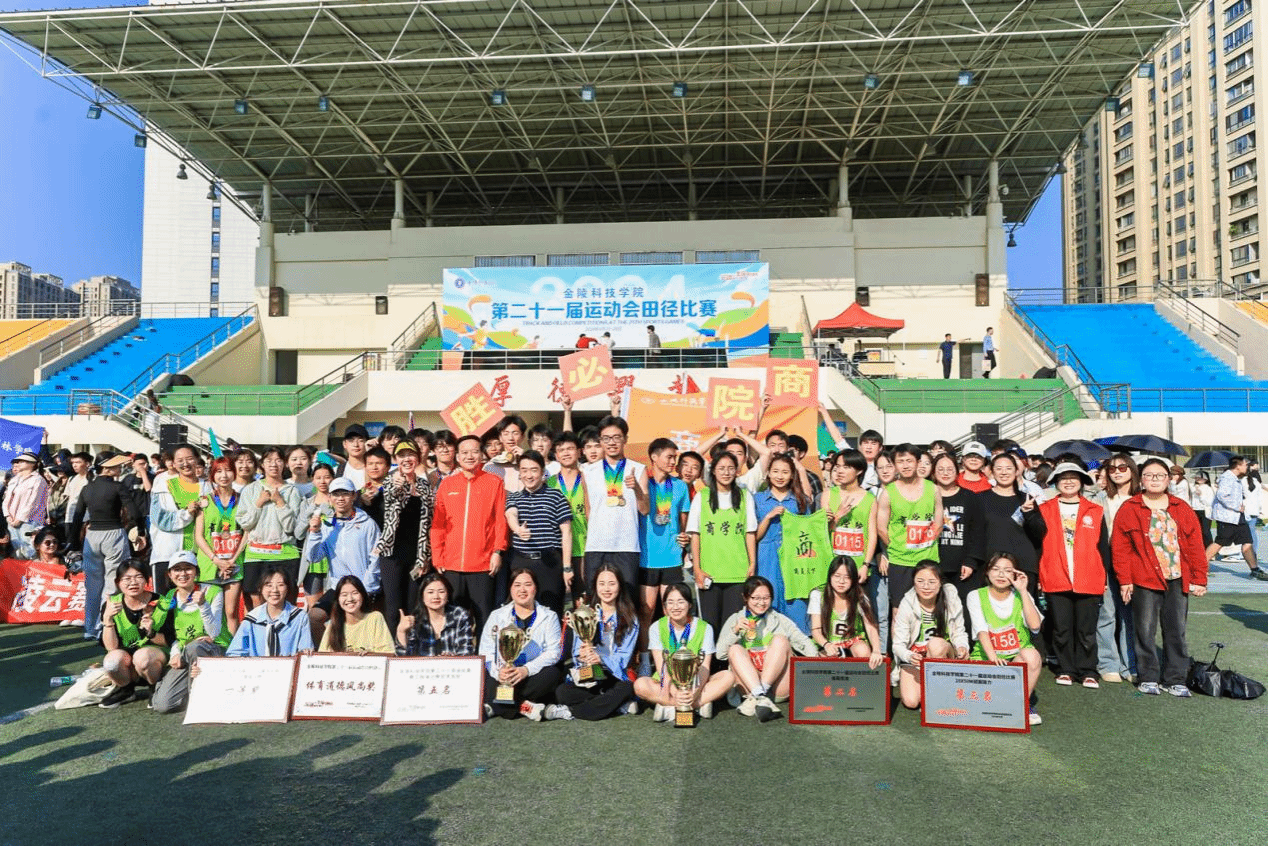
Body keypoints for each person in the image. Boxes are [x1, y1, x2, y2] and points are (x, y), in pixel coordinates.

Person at [1112, 458, 1209, 697]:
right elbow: (1120, 548)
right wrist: (1125, 580)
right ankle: (1148, 677)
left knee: (1176, 630)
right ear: (1141, 479)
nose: (1154, 479)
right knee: (1145, 631)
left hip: (1177, 578)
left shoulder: (1181, 507)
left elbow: (1195, 545)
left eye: (1160, 475)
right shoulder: (1130, 508)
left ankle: (1175, 679)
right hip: (1144, 579)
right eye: (1149, 475)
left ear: (1168, 479)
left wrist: (1199, 578)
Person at [1032, 462, 1109, 687]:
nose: (1068, 481)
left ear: (1082, 482)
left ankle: (1087, 670)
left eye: (1073, 477)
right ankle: (1065, 668)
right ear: (1055, 482)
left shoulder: (1095, 510)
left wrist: (1103, 576)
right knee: (1061, 627)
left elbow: (1103, 547)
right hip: (1055, 575)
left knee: (1086, 629)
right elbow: (1037, 545)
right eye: (1063, 477)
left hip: (1088, 577)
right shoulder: (1044, 509)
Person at [430, 434, 508, 630]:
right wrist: (437, 556)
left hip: (482, 564)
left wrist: (498, 551)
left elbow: (500, 521)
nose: (469, 456)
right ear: (457, 456)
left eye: (474, 452)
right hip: (451, 564)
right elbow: (438, 524)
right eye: (464, 452)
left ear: (482, 455)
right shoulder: (447, 484)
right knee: (453, 618)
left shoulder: (494, 482)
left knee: (484, 618)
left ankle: (484, 651)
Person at [717, 576, 818, 721]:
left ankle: (760, 695)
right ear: (745, 597)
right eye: (756, 598)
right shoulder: (735, 619)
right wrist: (735, 631)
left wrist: (819, 663)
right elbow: (720, 654)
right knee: (734, 649)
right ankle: (759, 695)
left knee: (780, 640)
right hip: (748, 685)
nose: (761, 602)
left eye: (766, 598)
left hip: (777, 686)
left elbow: (803, 641)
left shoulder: (779, 619)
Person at [68, 452, 146, 640]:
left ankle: (90, 628)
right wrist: (141, 530)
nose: (120, 468)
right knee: (112, 583)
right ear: (107, 467)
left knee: (92, 585)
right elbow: (134, 511)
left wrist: (73, 542)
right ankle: (105, 625)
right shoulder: (117, 487)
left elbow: (77, 517)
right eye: (116, 465)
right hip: (114, 534)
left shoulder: (87, 488)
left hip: (92, 536)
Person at [549, 564, 640, 721]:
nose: (606, 589)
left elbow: (623, 659)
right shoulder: (584, 614)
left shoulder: (630, 618)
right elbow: (576, 652)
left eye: (612, 584)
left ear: (620, 586)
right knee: (562, 692)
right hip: (589, 676)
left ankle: (571, 711)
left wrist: (601, 658)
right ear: (595, 587)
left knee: (627, 687)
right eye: (601, 584)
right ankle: (616, 705)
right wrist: (583, 655)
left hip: (613, 674)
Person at [632, 583, 733, 722]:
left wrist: (694, 693)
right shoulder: (656, 627)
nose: (675, 607)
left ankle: (671, 707)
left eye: (681, 601)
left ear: (690, 604)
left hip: (696, 683)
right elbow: (661, 667)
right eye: (670, 602)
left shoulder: (705, 628)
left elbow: (705, 667)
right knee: (640, 685)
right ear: (665, 606)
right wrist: (675, 692)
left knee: (728, 677)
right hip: (667, 683)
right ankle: (696, 706)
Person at [303, 477, 382, 644]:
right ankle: (327, 652)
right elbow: (314, 557)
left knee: (359, 625)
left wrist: (367, 588)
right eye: (336, 494)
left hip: (363, 587)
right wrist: (315, 532)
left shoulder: (368, 524)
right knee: (314, 617)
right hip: (337, 587)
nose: (340, 499)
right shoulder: (327, 525)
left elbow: (375, 558)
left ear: (353, 496)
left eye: (345, 494)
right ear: (329, 498)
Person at [967, 553, 1045, 724]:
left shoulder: (1021, 595)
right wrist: (994, 659)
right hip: (987, 659)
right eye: (996, 569)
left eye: (1008, 570)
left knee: (1032, 655)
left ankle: (1022, 705)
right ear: (987, 572)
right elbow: (981, 631)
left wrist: (1023, 591)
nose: (1001, 575)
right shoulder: (975, 595)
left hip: (1015, 661)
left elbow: (1035, 626)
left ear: (1015, 574)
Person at [478, 568, 563, 721]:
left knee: (553, 674)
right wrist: (499, 673)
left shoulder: (549, 616)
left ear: (535, 588)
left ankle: (496, 706)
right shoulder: (497, 615)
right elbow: (485, 652)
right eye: (517, 585)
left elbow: (554, 652)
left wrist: (526, 670)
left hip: (531, 675)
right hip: (503, 675)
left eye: (528, 585)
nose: (522, 590)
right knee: (484, 676)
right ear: (510, 589)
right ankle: (525, 707)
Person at [150, 551, 229, 714]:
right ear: (170, 574)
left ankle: (201, 698)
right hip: (186, 654)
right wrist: (175, 653)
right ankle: (183, 689)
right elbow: (173, 636)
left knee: (195, 647)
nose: (182, 574)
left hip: (214, 650)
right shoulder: (169, 597)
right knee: (163, 705)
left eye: (188, 568)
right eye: (177, 569)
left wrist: (203, 605)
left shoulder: (213, 591)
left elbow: (214, 633)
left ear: (196, 572)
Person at [689, 451, 757, 635]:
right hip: (709, 573)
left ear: (737, 471)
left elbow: (750, 533)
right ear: (713, 471)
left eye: (730, 468)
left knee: (733, 628)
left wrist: (752, 563)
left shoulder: (745, 496)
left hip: (738, 572)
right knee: (709, 627)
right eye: (721, 468)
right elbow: (695, 535)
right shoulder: (702, 497)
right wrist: (697, 568)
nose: (726, 473)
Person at [876, 444, 944, 622]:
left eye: (909, 461)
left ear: (918, 462)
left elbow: (939, 523)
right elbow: (881, 528)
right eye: (900, 462)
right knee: (898, 611)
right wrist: (897, 547)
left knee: (930, 609)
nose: (905, 465)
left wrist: (925, 543)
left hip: (928, 559)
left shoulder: (933, 489)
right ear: (894, 465)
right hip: (900, 561)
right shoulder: (888, 492)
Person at [581, 415, 648, 593]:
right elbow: (588, 510)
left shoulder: (638, 469)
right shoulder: (588, 471)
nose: (611, 442)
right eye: (606, 438)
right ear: (601, 441)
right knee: (596, 598)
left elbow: (645, 509)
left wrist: (637, 489)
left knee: (627, 598)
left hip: (627, 546)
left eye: (616, 437)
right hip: (596, 546)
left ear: (625, 439)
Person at [892, 562, 969, 710]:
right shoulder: (907, 603)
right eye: (920, 581)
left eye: (932, 582)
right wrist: (909, 656)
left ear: (940, 583)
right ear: (914, 582)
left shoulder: (950, 597)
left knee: (935, 645)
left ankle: (938, 695)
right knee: (911, 702)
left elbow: (959, 631)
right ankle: (936, 689)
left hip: (943, 654)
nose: (926, 586)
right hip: (917, 658)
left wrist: (962, 647)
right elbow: (898, 645)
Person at [505, 450, 573, 616]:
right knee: (521, 610)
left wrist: (567, 567)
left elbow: (567, 532)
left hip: (549, 563)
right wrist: (517, 529)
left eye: (534, 470)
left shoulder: (556, 496)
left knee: (551, 611)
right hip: (521, 562)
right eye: (524, 470)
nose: (529, 475)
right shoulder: (514, 497)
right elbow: (511, 514)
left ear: (542, 472)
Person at [377, 440, 434, 635]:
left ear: (418, 457)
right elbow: (392, 500)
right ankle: (394, 647)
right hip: (392, 554)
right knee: (394, 608)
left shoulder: (425, 486)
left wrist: (426, 556)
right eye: (402, 456)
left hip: (416, 555)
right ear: (395, 459)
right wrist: (400, 485)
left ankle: (412, 647)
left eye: (410, 454)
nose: (407, 459)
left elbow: (429, 522)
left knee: (414, 607)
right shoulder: (390, 481)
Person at [235, 447, 302, 609]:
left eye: (278, 460)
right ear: (262, 464)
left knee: (286, 603)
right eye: (269, 461)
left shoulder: (292, 491)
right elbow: (245, 523)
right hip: (256, 554)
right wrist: (258, 503)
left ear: (284, 464)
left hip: (285, 553)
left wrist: (280, 503)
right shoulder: (250, 490)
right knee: (256, 602)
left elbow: (291, 527)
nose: (274, 464)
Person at [638, 438, 691, 636]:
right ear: (654, 457)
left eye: (674, 457)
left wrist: (684, 539)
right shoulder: (643, 484)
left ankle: (672, 650)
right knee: (647, 610)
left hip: (671, 557)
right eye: (669, 457)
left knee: (672, 611)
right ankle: (645, 653)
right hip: (647, 557)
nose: (673, 462)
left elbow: (683, 521)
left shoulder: (680, 486)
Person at [98, 561, 165, 709]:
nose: (133, 582)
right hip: (129, 663)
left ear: (147, 580)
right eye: (127, 578)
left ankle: (155, 688)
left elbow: (168, 640)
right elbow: (111, 648)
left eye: (138, 577)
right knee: (112, 661)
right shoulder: (111, 604)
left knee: (143, 657)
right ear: (118, 582)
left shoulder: (161, 602)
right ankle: (126, 690)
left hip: (155, 660)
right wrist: (108, 619)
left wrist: (151, 631)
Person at [754, 454, 812, 625]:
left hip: (794, 560)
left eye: (785, 472)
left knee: (796, 605)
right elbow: (753, 537)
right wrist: (768, 517)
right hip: (766, 558)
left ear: (792, 475)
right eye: (775, 471)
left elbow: (808, 535)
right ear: (768, 473)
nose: (780, 476)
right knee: (765, 600)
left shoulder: (801, 500)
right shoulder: (757, 499)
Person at [1098, 455, 1139, 683]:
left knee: (1130, 617)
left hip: (1134, 565)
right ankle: (1108, 663)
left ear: (1132, 470)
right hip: (1106, 562)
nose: (1117, 471)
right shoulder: (1100, 499)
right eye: (1112, 468)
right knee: (1107, 614)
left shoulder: (1141, 499)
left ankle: (1130, 664)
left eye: (1122, 467)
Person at [149, 444, 209, 594]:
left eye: (190, 459)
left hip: (199, 555)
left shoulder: (209, 486)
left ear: (197, 460)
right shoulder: (163, 485)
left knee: (195, 601)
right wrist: (187, 514)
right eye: (180, 460)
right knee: (164, 602)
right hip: (167, 554)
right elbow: (160, 519)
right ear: (173, 463)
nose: (185, 464)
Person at [932, 452, 986, 606]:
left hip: (962, 567)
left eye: (950, 469)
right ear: (933, 472)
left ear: (957, 471)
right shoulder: (926, 496)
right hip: (934, 564)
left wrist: (971, 561)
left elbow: (978, 532)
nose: (945, 473)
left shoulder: (970, 497)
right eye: (940, 469)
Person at [808, 557, 883, 665]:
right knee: (825, 658)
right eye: (837, 576)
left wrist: (876, 650)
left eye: (847, 577)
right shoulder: (818, 595)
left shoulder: (860, 596)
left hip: (852, 641)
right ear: (830, 576)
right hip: (827, 643)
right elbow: (816, 630)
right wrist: (827, 645)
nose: (841, 581)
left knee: (862, 650)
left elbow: (870, 626)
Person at [226, 565, 313, 656]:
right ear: (260, 589)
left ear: (287, 588)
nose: (274, 590)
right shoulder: (252, 620)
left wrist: (304, 652)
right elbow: (235, 653)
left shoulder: (299, 617)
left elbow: (305, 649)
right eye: (269, 585)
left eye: (280, 585)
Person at [1206, 456, 1268, 580]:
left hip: (1238, 517)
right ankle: (1199, 567)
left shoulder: (1235, 478)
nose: (1247, 467)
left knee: (1247, 542)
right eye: (1245, 465)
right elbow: (1222, 495)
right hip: (1227, 517)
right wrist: (1236, 506)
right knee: (1220, 542)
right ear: (1238, 466)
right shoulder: (1227, 478)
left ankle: (1254, 569)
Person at [546, 431, 589, 598]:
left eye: (570, 449)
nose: (566, 453)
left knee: (583, 601)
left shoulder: (589, 479)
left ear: (579, 452)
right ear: (556, 455)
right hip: (557, 550)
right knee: (557, 599)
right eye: (561, 450)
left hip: (584, 548)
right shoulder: (549, 483)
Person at [397, 572, 477, 656]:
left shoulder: (459, 615)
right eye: (430, 592)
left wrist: (451, 659)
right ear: (422, 596)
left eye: (441, 592)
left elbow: (466, 652)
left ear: (448, 594)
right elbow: (404, 658)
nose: (436, 596)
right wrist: (401, 632)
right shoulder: (415, 619)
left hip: (454, 664)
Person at [318, 574, 395, 653]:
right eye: (344, 595)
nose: (350, 599)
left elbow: (388, 652)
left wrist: (370, 654)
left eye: (355, 593)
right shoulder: (334, 623)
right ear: (338, 599)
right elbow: (322, 654)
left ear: (362, 595)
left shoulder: (375, 618)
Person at [294, 462, 335, 596]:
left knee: (333, 602)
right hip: (312, 560)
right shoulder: (306, 503)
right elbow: (298, 534)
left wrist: (328, 510)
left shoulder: (338, 501)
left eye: (327, 477)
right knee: (313, 605)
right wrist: (308, 514)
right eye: (318, 478)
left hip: (334, 557)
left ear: (333, 478)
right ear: (313, 480)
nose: (323, 481)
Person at [3, 450, 50, 559]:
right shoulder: (14, 480)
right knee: (16, 552)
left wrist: (20, 519)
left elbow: (34, 503)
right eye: (18, 461)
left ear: (32, 464)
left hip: (29, 521)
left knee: (30, 552)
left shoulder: (38, 480)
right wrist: (8, 516)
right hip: (12, 521)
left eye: (22, 461)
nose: (18, 463)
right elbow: (6, 500)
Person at [338, 424, 369, 488]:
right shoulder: (338, 471)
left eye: (360, 441)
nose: (356, 445)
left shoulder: (374, 470)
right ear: (344, 444)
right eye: (351, 441)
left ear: (367, 443)